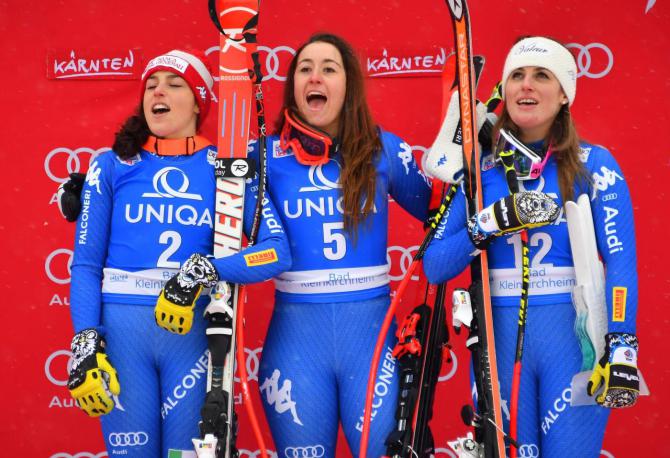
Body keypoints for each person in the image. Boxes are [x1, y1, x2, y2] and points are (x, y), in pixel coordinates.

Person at [66, 49, 290, 457]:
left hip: (189, 340)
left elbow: (276, 253)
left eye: (173, 83)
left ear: (198, 100)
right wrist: (85, 341)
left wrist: (206, 269)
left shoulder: (227, 165)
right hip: (121, 338)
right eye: (151, 85)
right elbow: (85, 264)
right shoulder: (111, 165)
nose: (158, 91)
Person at [423, 36, 640, 457]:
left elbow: (620, 265)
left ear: (564, 94)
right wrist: (488, 223)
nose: (527, 85)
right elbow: (434, 265)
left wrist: (622, 346)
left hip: (577, 343)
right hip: (499, 341)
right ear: (504, 91)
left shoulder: (595, 164)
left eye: (542, 76)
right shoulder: (479, 168)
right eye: (517, 76)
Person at [243, 33, 432, 457]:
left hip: (370, 338)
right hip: (296, 341)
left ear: (348, 85)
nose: (316, 76)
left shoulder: (383, 150)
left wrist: (467, 166)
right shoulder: (262, 157)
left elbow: (438, 219)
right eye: (305, 69)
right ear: (293, 84)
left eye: (329, 68)